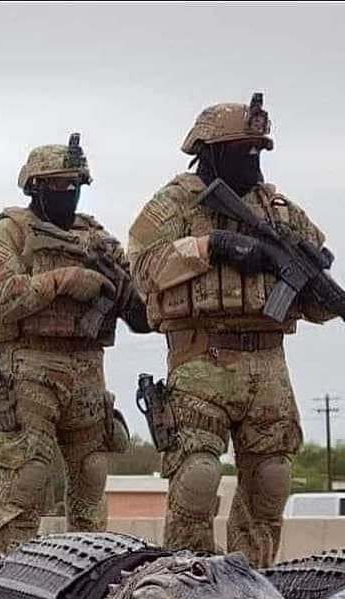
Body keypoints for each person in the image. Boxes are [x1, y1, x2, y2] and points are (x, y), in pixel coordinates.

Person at [129, 94, 335, 565]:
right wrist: (212, 246)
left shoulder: (278, 210)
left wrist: (315, 286)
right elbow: (141, 267)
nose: (254, 159)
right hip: (202, 357)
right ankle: (187, 582)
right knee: (196, 479)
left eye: (259, 150)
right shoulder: (174, 203)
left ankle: (253, 582)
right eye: (244, 150)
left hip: (269, 362)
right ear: (210, 151)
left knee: (271, 480)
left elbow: (313, 292)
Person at [0, 134, 148, 553]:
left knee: (91, 472)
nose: (67, 193)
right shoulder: (9, 233)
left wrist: (126, 295)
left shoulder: (97, 238)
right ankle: (16, 567)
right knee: (28, 473)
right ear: (35, 187)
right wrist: (63, 280)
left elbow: (142, 312)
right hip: (30, 364)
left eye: (74, 185)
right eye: (57, 185)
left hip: (87, 366)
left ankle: (89, 564)